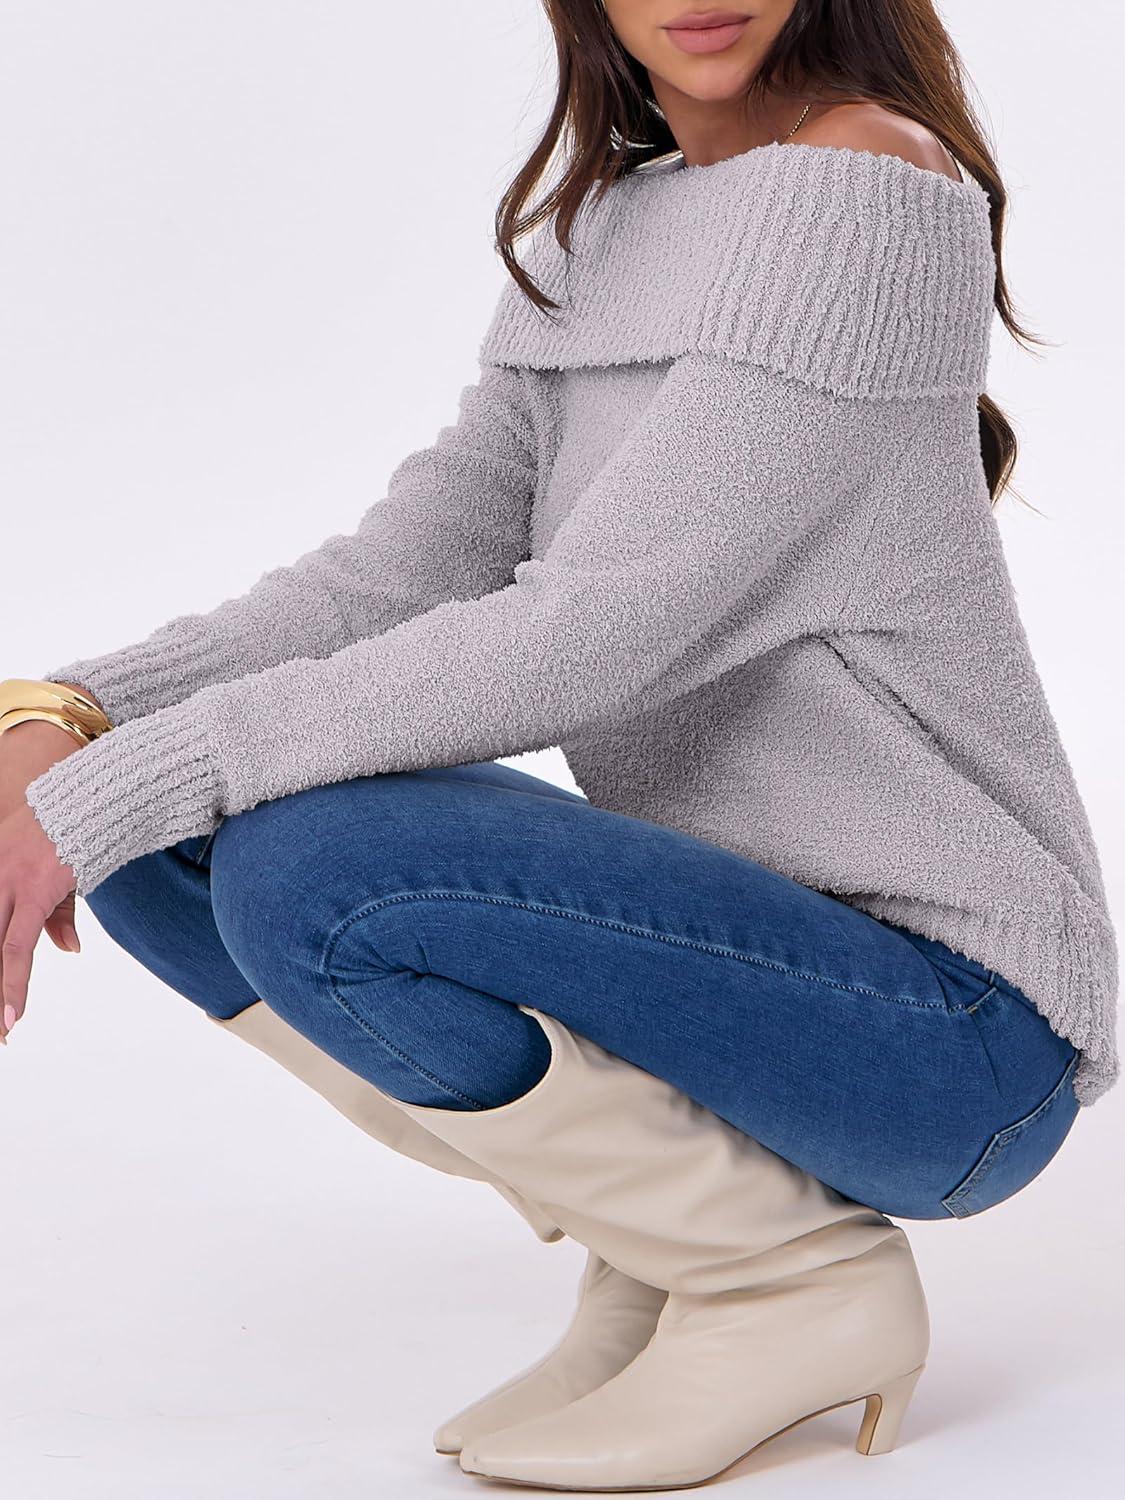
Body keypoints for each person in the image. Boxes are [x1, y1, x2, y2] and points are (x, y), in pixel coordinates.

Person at [0, 0, 1117, 1489]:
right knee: (157, 830)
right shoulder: (607, 227)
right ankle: (668, 1239)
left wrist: (116, 776)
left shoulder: (870, 187)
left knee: (309, 864)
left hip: (952, 1029)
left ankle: (788, 1281)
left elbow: (590, 633)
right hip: (741, 973)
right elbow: (401, 572)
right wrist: (64, 715)